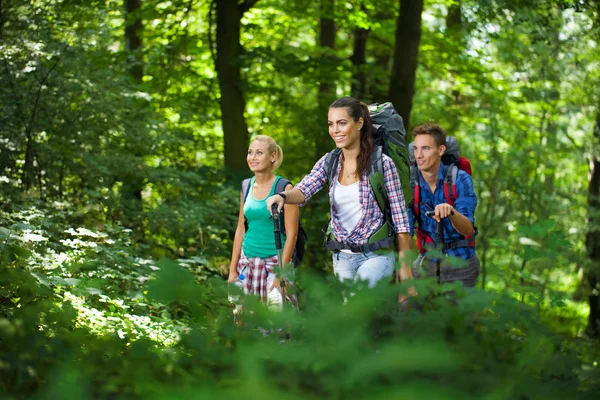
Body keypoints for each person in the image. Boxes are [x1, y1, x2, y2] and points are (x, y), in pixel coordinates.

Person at [266, 96, 413, 288]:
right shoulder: (331, 161)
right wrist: (283, 196)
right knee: (352, 316)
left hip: (376, 256)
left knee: (354, 306)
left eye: (342, 123)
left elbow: (401, 222)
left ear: (359, 123)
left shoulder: (383, 164)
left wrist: (405, 269)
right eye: (331, 124)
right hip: (341, 258)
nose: (335, 130)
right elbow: (304, 189)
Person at [228, 135, 299, 308]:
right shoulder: (246, 186)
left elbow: (292, 235)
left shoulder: (285, 189)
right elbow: (240, 229)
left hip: (276, 263)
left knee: (277, 320)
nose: (252, 157)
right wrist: (232, 270)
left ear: (272, 156)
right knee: (245, 318)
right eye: (250, 152)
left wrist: (281, 274)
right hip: (247, 263)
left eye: (259, 153)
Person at [409, 123, 480, 287]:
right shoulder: (410, 184)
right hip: (426, 261)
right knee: (407, 309)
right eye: (416, 149)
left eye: (425, 149)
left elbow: (468, 229)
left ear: (441, 150)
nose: (418, 155)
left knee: (453, 313)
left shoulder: (461, 179)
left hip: (462, 263)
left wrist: (451, 212)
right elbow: (405, 230)